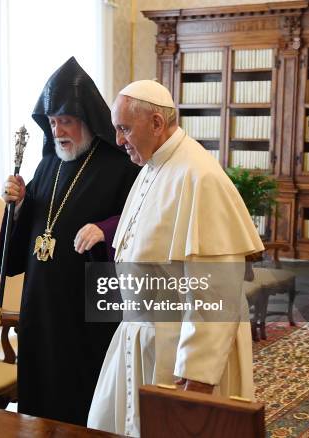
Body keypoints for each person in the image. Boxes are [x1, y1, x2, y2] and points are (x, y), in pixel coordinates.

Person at [87, 80, 264, 437]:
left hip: (178, 352)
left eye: (124, 129)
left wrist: (197, 375)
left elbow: (216, 290)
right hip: (142, 337)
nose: (119, 140)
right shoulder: (153, 166)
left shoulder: (200, 176)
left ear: (156, 123)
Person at [0, 57, 140, 425]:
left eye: (67, 121)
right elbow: (36, 227)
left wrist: (104, 230)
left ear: (88, 121)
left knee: (83, 391)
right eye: (53, 122)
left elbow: (140, 218)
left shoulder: (119, 165)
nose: (58, 131)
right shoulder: (48, 164)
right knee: (40, 388)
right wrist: (21, 203)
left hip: (88, 306)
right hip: (42, 301)